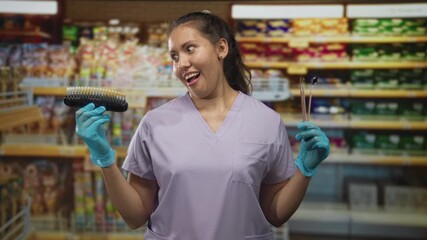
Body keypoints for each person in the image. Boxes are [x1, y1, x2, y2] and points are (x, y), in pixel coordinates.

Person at [75, 11, 330, 240]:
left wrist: (305, 171)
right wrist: (104, 157)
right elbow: (134, 217)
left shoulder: (266, 122)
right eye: (174, 56)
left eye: (189, 49)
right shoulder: (155, 123)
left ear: (221, 48)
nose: (181, 63)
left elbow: (275, 213)